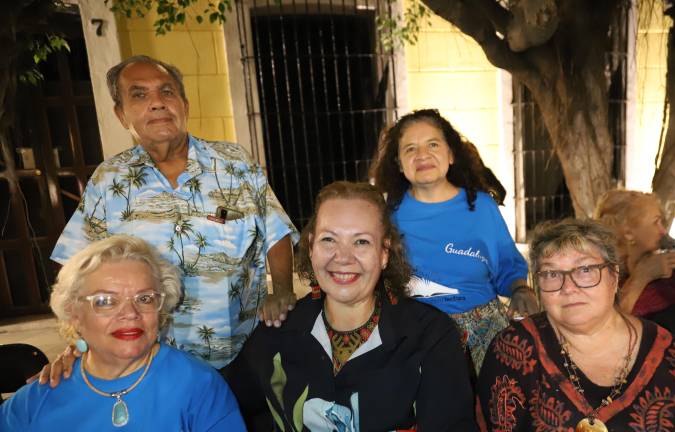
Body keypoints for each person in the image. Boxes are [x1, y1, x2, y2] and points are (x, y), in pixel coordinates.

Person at [49, 55, 297, 370]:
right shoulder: (109, 179)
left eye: (167, 92)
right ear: (121, 113)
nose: (157, 103)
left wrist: (283, 290)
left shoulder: (235, 164)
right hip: (148, 362)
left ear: (184, 105)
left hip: (241, 351)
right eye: (139, 95)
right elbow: (73, 266)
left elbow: (275, 230)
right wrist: (79, 342)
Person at [221, 181, 477, 431]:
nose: (342, 257)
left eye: (361, 242)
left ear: (384, 252)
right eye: (329, 240)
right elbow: (220, 401)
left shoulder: (430, 337)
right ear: (311, 247)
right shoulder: (276, 334)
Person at [477, 219, 675, 431]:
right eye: (551, 274)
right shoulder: (513, 351)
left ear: (614, 277)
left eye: (585, 270)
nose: (568, 287)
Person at [1, 236, 246, 431]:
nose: (130, 313)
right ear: (73, 313)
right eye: (106, 300)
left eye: (145, 298)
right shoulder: (41, 397)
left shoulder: (199, 386)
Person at [369, 108, 534, 373]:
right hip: (419, 334)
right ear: (399, 163)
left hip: (486, 333)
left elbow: (507, 264)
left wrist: (520, 289)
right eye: (410, 149)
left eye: (433, 144)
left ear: (451, 154)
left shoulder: (481, 206)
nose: (422, 154)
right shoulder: (387, 214)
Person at [595, 190, 675, 369]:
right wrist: (642, 277)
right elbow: (604, 328)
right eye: (656, 222)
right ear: (628, 233)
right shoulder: (600, 274)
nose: (663, 231)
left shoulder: (665, 268)